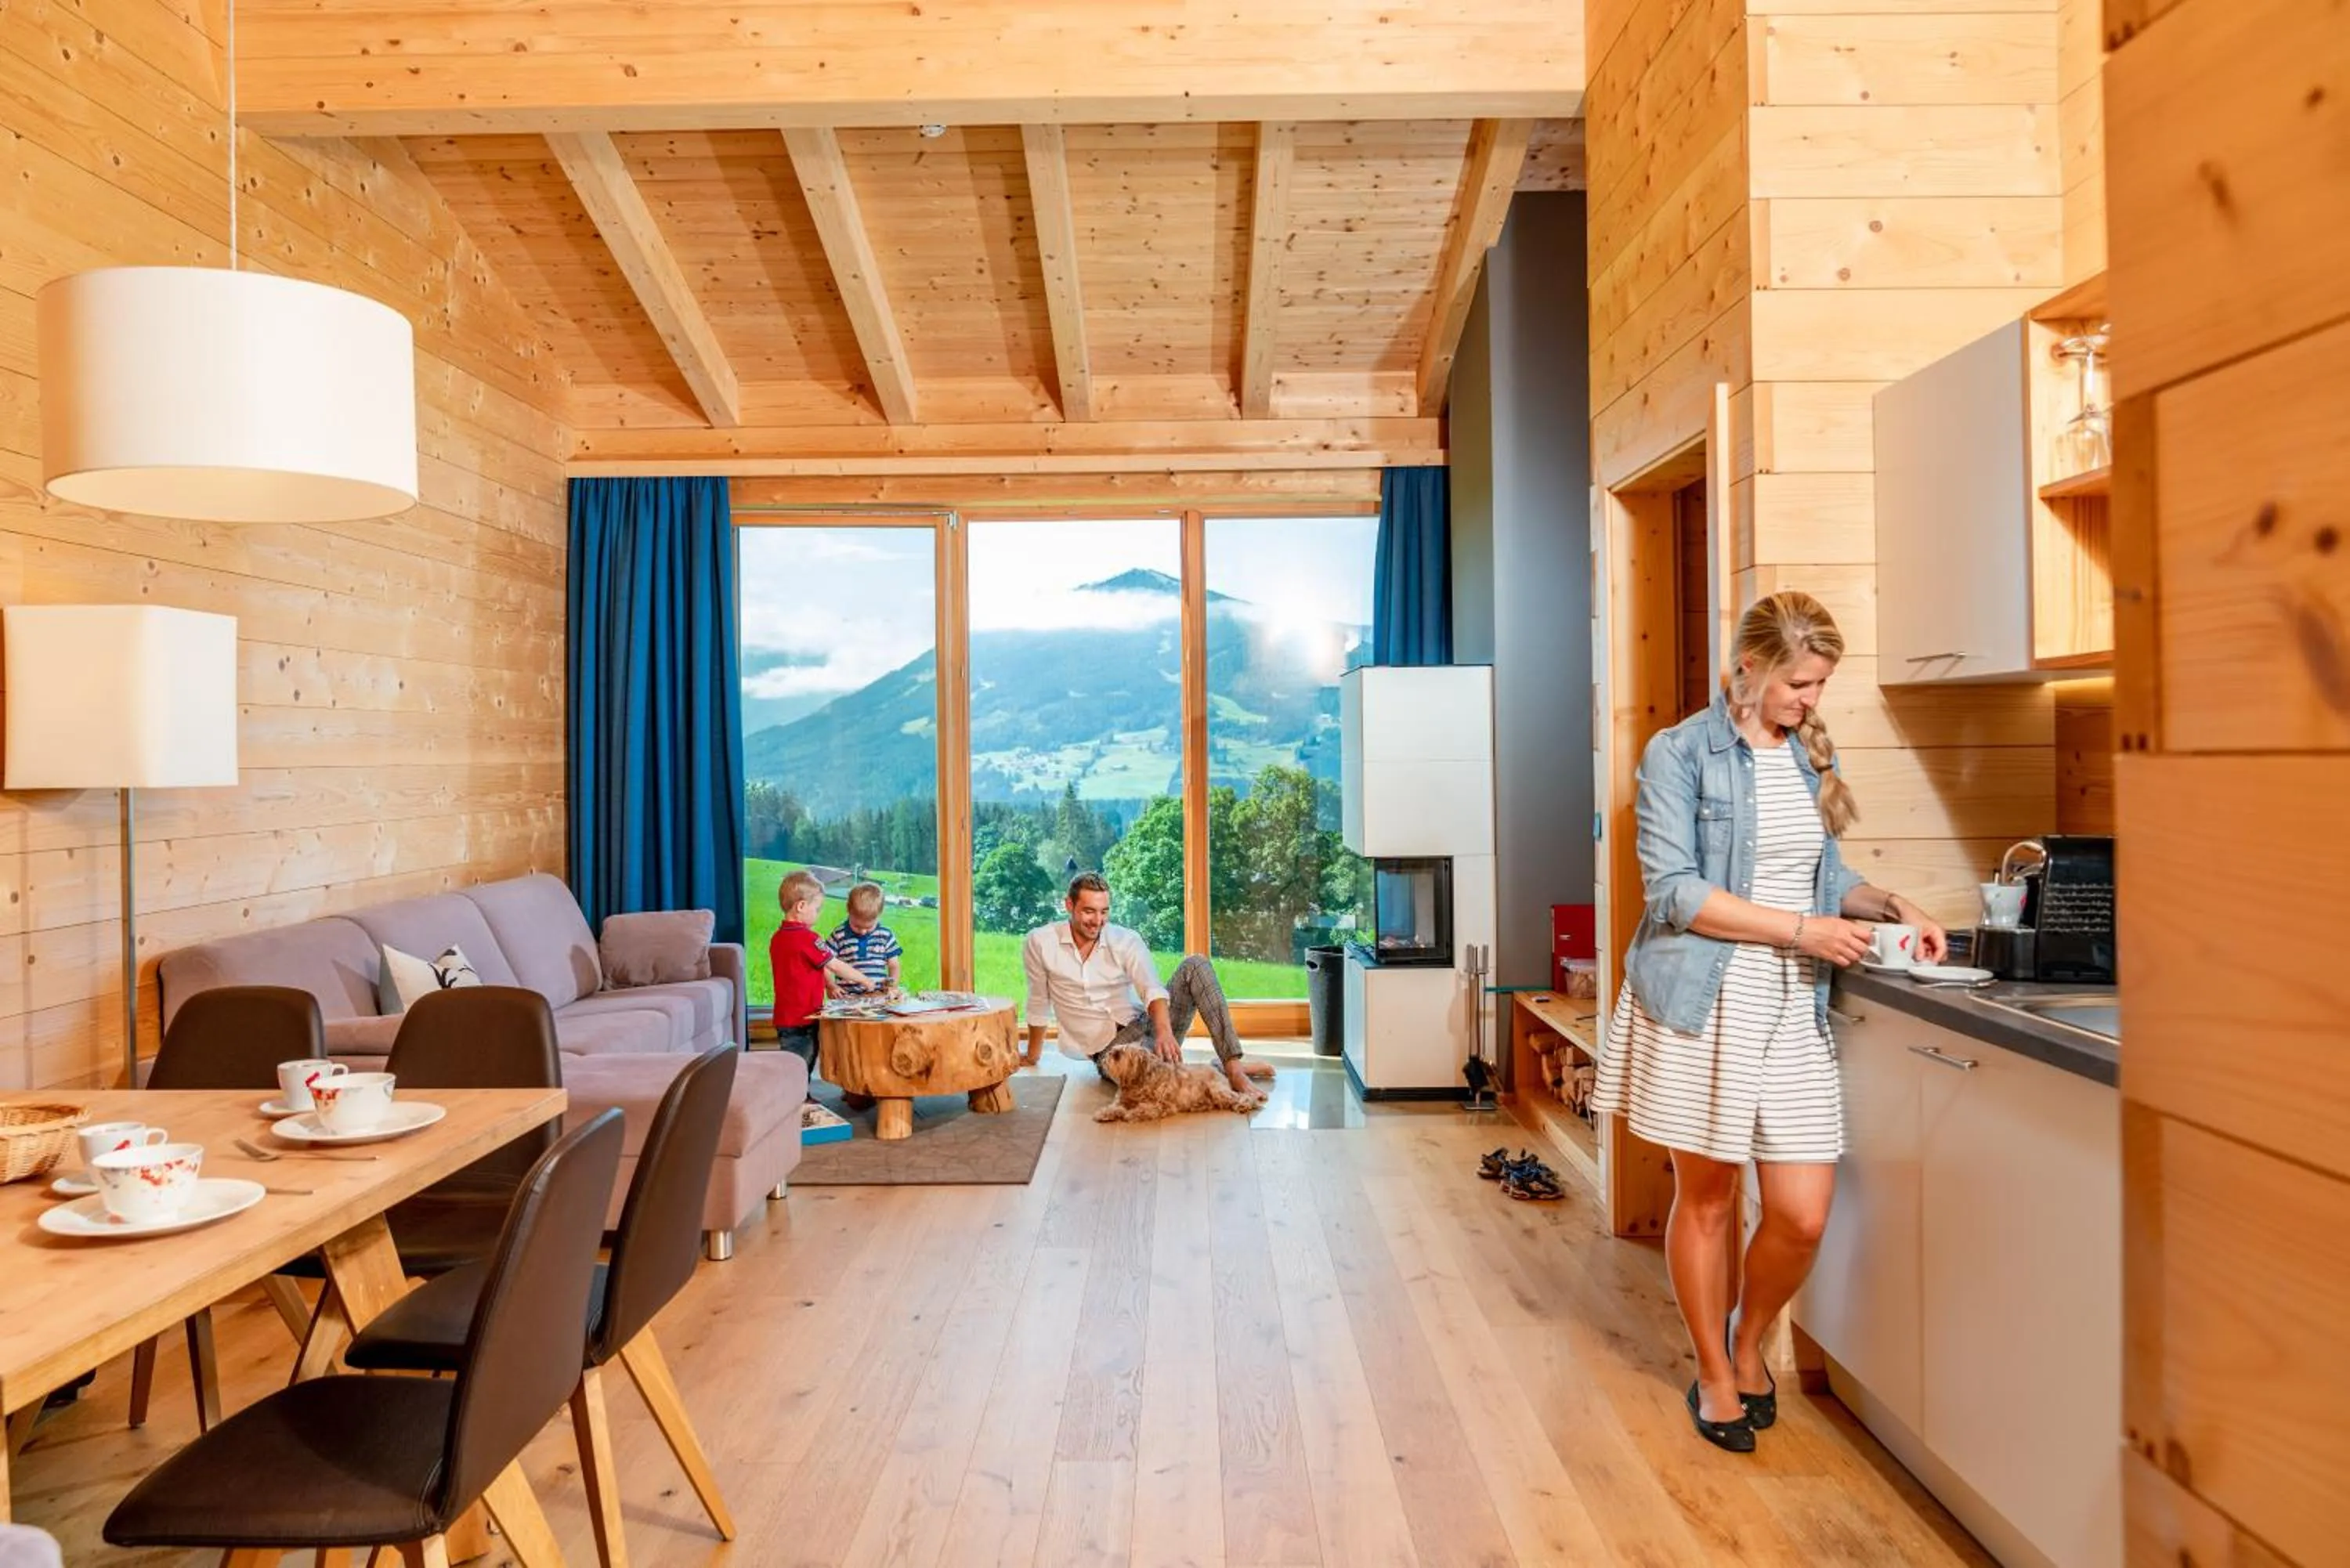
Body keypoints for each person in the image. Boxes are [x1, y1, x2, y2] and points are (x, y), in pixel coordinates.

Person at [1589, 591, 1947, 1454]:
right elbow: (1673, 893)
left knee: (1801, 1211)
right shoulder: (1679, 753)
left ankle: (1752, 1338)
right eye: (1798, 682)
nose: (1810, 699)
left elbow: (1817, 877)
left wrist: (1889, 899)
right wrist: (1803, 930)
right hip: (1701, 1000)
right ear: (1748, 668)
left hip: (1792, 1005)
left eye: (1820, 683)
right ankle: (1715, 1368)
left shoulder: (1805, 758)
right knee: (1707, 1199)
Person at [1018, 872, 1266, 1097]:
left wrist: (1165, 1033)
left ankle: (1233, 1068)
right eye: (1089, 911)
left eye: (1104, 912)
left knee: (1196, 965)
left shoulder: (1125, 940)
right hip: (1110, 1052)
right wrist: (1032, 1055)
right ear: (1069, 905)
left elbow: (1152, 988)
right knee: (1156, 1088)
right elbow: (1039, 999)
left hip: (1147, 1026)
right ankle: (1213, 1069)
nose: (1098, 921)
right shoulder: (1041, 943)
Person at [769, 870, 885, 1074]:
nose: (818, 914)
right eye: (817, 909)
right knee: (803, 1061)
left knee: (792, 1061)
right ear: (801, 906)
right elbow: (835, 965)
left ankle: (797, 1095)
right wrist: (867, 982)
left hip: (784, 1015)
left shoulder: (777, 938)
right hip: (804, 1016)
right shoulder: (808, 939)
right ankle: (799, 1100)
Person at [826, 881, 904, 995]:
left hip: (878, 996)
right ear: (848, 910)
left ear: (879, 915)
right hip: (847, 998)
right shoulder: (839, 935)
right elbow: (826, 964)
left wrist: (892, 985)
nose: (863, 931)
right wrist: (831, 986)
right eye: (857, 926)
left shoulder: (885, 935)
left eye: (869, 927)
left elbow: (894, 965)